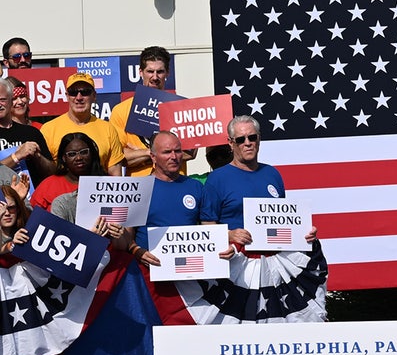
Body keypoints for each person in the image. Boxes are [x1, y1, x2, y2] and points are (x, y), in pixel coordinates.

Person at [201, 115, 318, 247]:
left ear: (259, 139)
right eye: (240, 139)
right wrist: (229, 234)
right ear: (231, 143)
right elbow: (207, 223)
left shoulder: (272, 174)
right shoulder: (216, 179)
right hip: (238, 258)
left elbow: (283, 219)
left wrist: (303, 232)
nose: (247, 143)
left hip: (274, 257)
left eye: (252, 137)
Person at [109, 46, 194, 176]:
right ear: (140, 72)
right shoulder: (121, 110)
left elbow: (190, 153)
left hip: (175, 184)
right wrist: (154, 153)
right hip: (139, 187)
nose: (155, 77)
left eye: (160, 71)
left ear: (167, 73)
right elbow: (120, 159)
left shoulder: (181, 108)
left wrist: (139, 153)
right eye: (150, 71)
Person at [127, 131, 209, 266]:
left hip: (188, 271)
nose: (174, 157)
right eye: (167, 152)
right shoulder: (138, 189)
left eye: (177, 151)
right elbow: (126, 234)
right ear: (153, 157)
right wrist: (136, 250)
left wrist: (227, 237)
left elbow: (209, 228)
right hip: (148, 272)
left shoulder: (196, 187)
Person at [40, 73, 125, 176]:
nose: (79, 97)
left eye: (85, 92)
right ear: (67, 96)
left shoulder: (108, 129)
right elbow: (43, 173)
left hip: (96, 190)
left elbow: (115, 174)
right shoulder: (48, 129)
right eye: (73, 92)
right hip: (61, 191)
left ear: (94, 96)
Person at [0, 79, 55, 185]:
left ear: (10, 101)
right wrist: (16, 156)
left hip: (33, 199)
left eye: (3, 100)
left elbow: (52, 173)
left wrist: (38, 157)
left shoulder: (31, 133)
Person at [31, 132, 106, 211]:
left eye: (84, 152)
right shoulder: (48, 185)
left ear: (92, 154)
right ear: (63, 158)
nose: (79, 158)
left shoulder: (108, 184)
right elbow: (33, 217)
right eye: (72, 154)